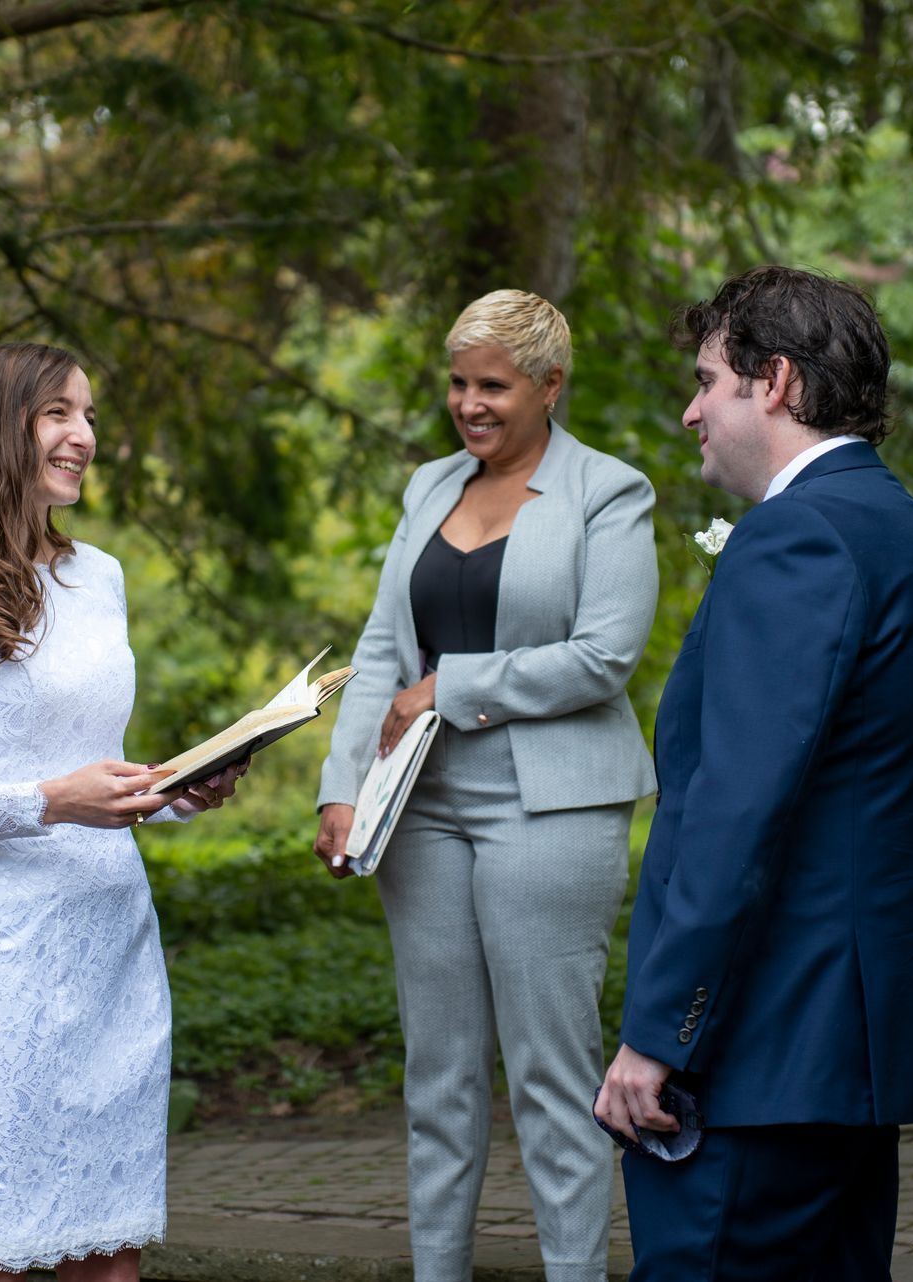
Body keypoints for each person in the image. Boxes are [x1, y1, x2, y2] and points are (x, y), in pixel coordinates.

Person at [595, 266, 913, 1280]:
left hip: (762, 1054)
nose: (691, 411)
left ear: (773, 383)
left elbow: (737, 810)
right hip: (854, 1056)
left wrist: (660, 1032)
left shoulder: (797, 537)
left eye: (707, 380)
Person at [0, 343, 245, 1282]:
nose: (84, 436)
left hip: (113, 946)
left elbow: (92, 772)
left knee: (112, 1260)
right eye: (58, 413)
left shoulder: (98, 577)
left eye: (91, 416)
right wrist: (47, 802)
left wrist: (174, 790)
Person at [314, 290, 659, 1282]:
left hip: (550, 809)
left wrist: (449, 686)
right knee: (440, 1076)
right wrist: (342, 786)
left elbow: (604, 657)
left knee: (551, 1075)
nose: (469, 403)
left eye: (493, 386)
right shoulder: (429, 485)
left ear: (551, 387)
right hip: (419, 812)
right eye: (459, 382)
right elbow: (383, 646)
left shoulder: (610, 492)